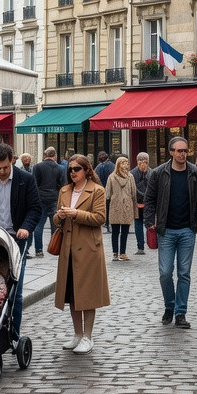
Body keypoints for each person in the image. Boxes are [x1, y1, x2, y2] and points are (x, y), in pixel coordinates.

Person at [0, 142, 42, 334]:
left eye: (5, 167)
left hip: (16, 239)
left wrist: (26, 228)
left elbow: (35, 208)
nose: (2, 172)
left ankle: (14, 332)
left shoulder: (25, 179)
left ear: (12, 160)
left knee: (15, 291)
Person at [144, 136, 197, 329]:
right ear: (171, 152)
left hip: (187, 230)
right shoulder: (159, 173)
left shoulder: (195, 173)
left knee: (184, 273)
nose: (183, 154)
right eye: (179, 151)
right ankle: (169, 305)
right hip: (166, 230)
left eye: (185, 151)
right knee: (165, 273)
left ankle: (180, 312)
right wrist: (149, 221)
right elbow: (150, 198)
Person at [52, 154, 110, 353]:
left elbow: (100, 218)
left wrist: (76, 213)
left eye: (77, 169)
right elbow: (55, 218)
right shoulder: (64, 190)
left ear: (86, 170)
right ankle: (77, 334)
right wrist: (59, 216)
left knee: (87, 294)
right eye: (70, 169)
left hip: (88, 249)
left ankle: (88, 336)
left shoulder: (97, 191)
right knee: (72, 294)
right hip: (68, 248)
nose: (73, 172)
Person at [30, 147, 65, 258]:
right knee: (55, 223)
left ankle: (39, 250)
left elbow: (34, 184)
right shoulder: (60, 168)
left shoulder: (37, 167)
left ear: (45, 155)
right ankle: (54, 247)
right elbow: (63, 185)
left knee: (39, 225)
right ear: (54, 156)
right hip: (55, 198)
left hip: (41, 198)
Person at [104, 156, 136, 261]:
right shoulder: (128, 177)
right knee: (118, 231)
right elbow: (133, 194)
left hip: (116, 206)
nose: (126, 165)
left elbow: (107, 194)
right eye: (123, 163)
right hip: (124, 206)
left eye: (127, 163)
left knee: (119, 231)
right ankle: (118, 252)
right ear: (118, 165)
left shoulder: (112, 177)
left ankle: (119, 253)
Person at [131, 153, 152, 254]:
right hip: (149, 202)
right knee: (150, 223)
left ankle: (140, 246)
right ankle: (152, 242)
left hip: (137, 202)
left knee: (138, 223)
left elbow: (132, 189)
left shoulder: (132, 174)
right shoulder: (152, 172)